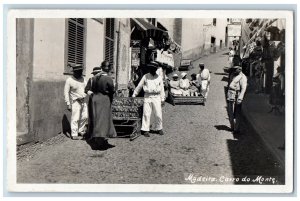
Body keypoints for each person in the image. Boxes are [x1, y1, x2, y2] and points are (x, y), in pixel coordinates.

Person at [85, 61, 117, 150]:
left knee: (96, 119)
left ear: (101, 67)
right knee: (103, 120)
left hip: (95, 99)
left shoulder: (95, 78)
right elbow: (112, 90)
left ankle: (97, 139)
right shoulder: (108, 78)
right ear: (109, 68)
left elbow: (92, 89)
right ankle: (101, 141)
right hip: (104, 99)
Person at [132, 61, 165, 137]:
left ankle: (159, 128)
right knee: (146, 113)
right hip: (147, 96)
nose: (152, 70)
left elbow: (162, 89)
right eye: (150, 68)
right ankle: (145, 129)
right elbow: (139, 86)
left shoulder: (159, 78)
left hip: (157, 97)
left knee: (158, 114)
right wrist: (134, 95)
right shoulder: (145, 76)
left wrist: (162, 99)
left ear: (156, 69)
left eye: (153, 68)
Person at [64, 64, 88, 140]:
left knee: (85, 116)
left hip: (83, 100)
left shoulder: (83, 79)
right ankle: (74, 134)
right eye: (78, 71)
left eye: (80, 71)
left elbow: (87, 88)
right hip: (75, 101)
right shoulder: (69, 80)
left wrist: (84, 96)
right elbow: (66, 92)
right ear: (74, 72)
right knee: (75, 118)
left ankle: (81, 130)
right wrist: (68, 103)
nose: (80, 73)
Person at [227, 66, 247, 134]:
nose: (234, 71)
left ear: (240, 69)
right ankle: (232, 126)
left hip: (237, 95)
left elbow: (243, 88)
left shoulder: (243, 77)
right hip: (231, 95)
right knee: (230, 111)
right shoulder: (233, 75)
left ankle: (236, 128)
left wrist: (240, 97)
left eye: (235, 69)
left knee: (237, 112)